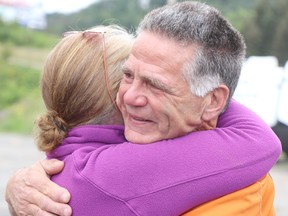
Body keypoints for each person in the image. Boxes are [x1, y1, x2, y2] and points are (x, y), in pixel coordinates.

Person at [5, 2, 281, 216]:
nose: (131, 96)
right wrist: (203, 96)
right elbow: (259, 140)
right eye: (127, 76)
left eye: (154, 84)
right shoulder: (112, 171)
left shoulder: (60, 170)